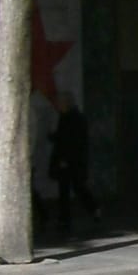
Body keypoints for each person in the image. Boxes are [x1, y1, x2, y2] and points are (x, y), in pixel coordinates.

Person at [49, 90, 98, 235]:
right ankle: (91, 210)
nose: (58, 105)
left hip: (70, 161)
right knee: (74, 187)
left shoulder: (71, 118)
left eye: (60, 102)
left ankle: (68, 218)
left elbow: (71, 141)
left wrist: (64, 158)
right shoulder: (69, 117)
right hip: (72, 160)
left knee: (72, 188)